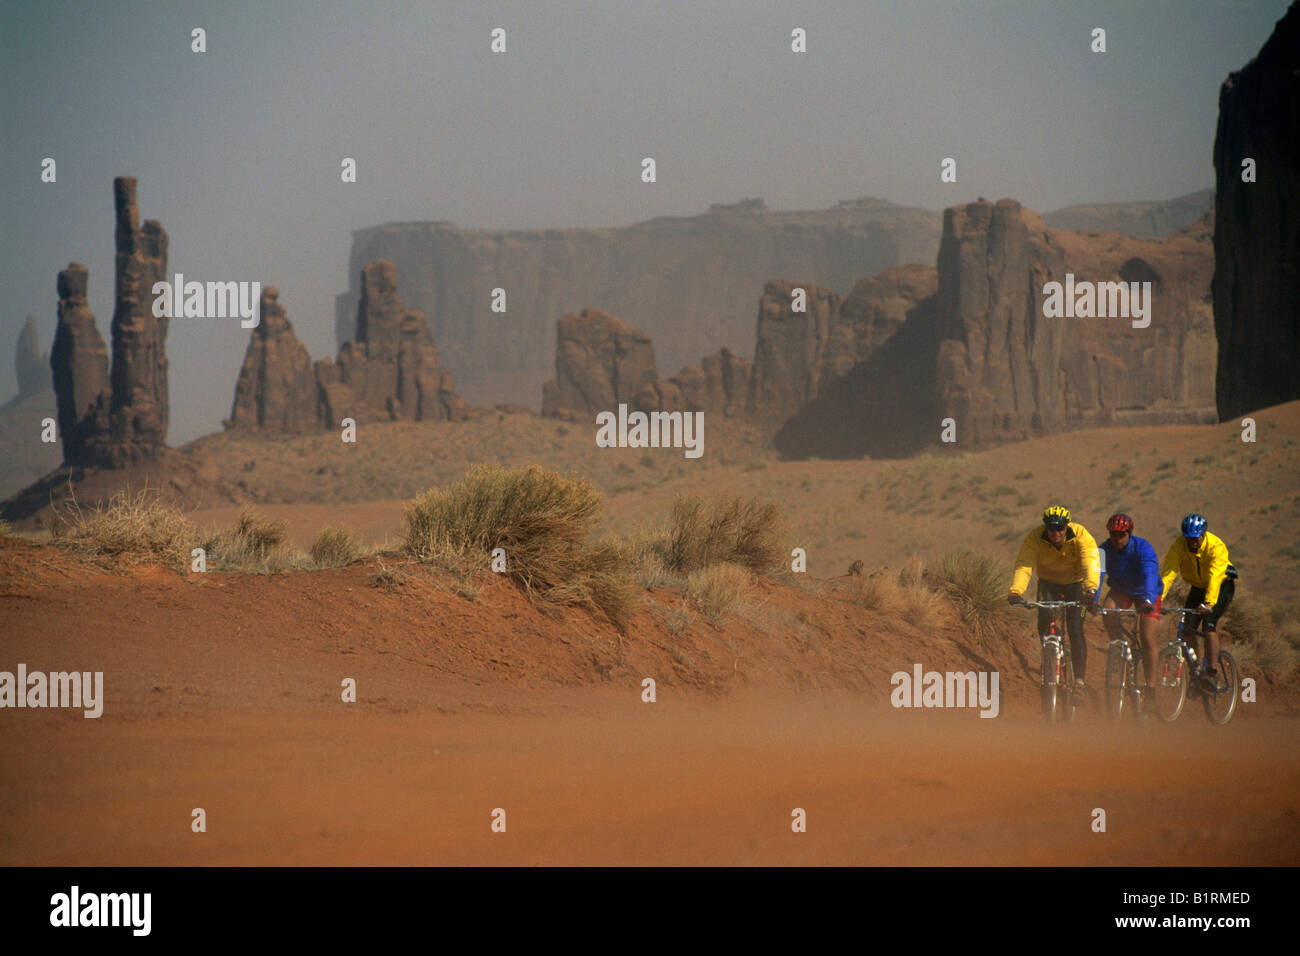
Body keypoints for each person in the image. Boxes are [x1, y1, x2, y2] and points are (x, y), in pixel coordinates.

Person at [1008, 505, 1100, 691]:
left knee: (1075, 628)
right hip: (1048, 582)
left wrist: (1090, 590)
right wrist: (1016, 591)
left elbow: (1091, 562)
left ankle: (1079, 681)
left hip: (1075, 583)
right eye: (1051, 528)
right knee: (1044, 622)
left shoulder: (1081, 535)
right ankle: (1049, 659)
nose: (1056, 532)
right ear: (1045, 527)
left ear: (1067, 526)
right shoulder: (1035, 537)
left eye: (1060, 528)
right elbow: (1024, 565)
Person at [1160, 513, 1236, 694]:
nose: (1191, 542)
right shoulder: (1179, 545)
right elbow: (1168, 573)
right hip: (1198, 587)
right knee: (1187, 629)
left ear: (1203, 535)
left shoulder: (1216, 546)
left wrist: (1209, 603)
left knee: (1208, 625)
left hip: (1221, 586)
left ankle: (1211, 672)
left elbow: (1214, 577)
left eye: (1195, 539)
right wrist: (1157, 599)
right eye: (1188, 538)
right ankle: (1195, 673)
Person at [1094, 513, 1162, 710]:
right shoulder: (1104, 549)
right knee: (1108, 610)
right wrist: (1093, 598)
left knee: (1147, 636)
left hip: (1146, 593)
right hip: (1122, 590)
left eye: (1122, 535)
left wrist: (1149, 599)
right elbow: (1097, 575)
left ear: (1129, 534)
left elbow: (1150, 574)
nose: (1117, 539)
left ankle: (1150, 688)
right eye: (1113, 534)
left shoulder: (1143, 548)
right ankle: (1118, 647)